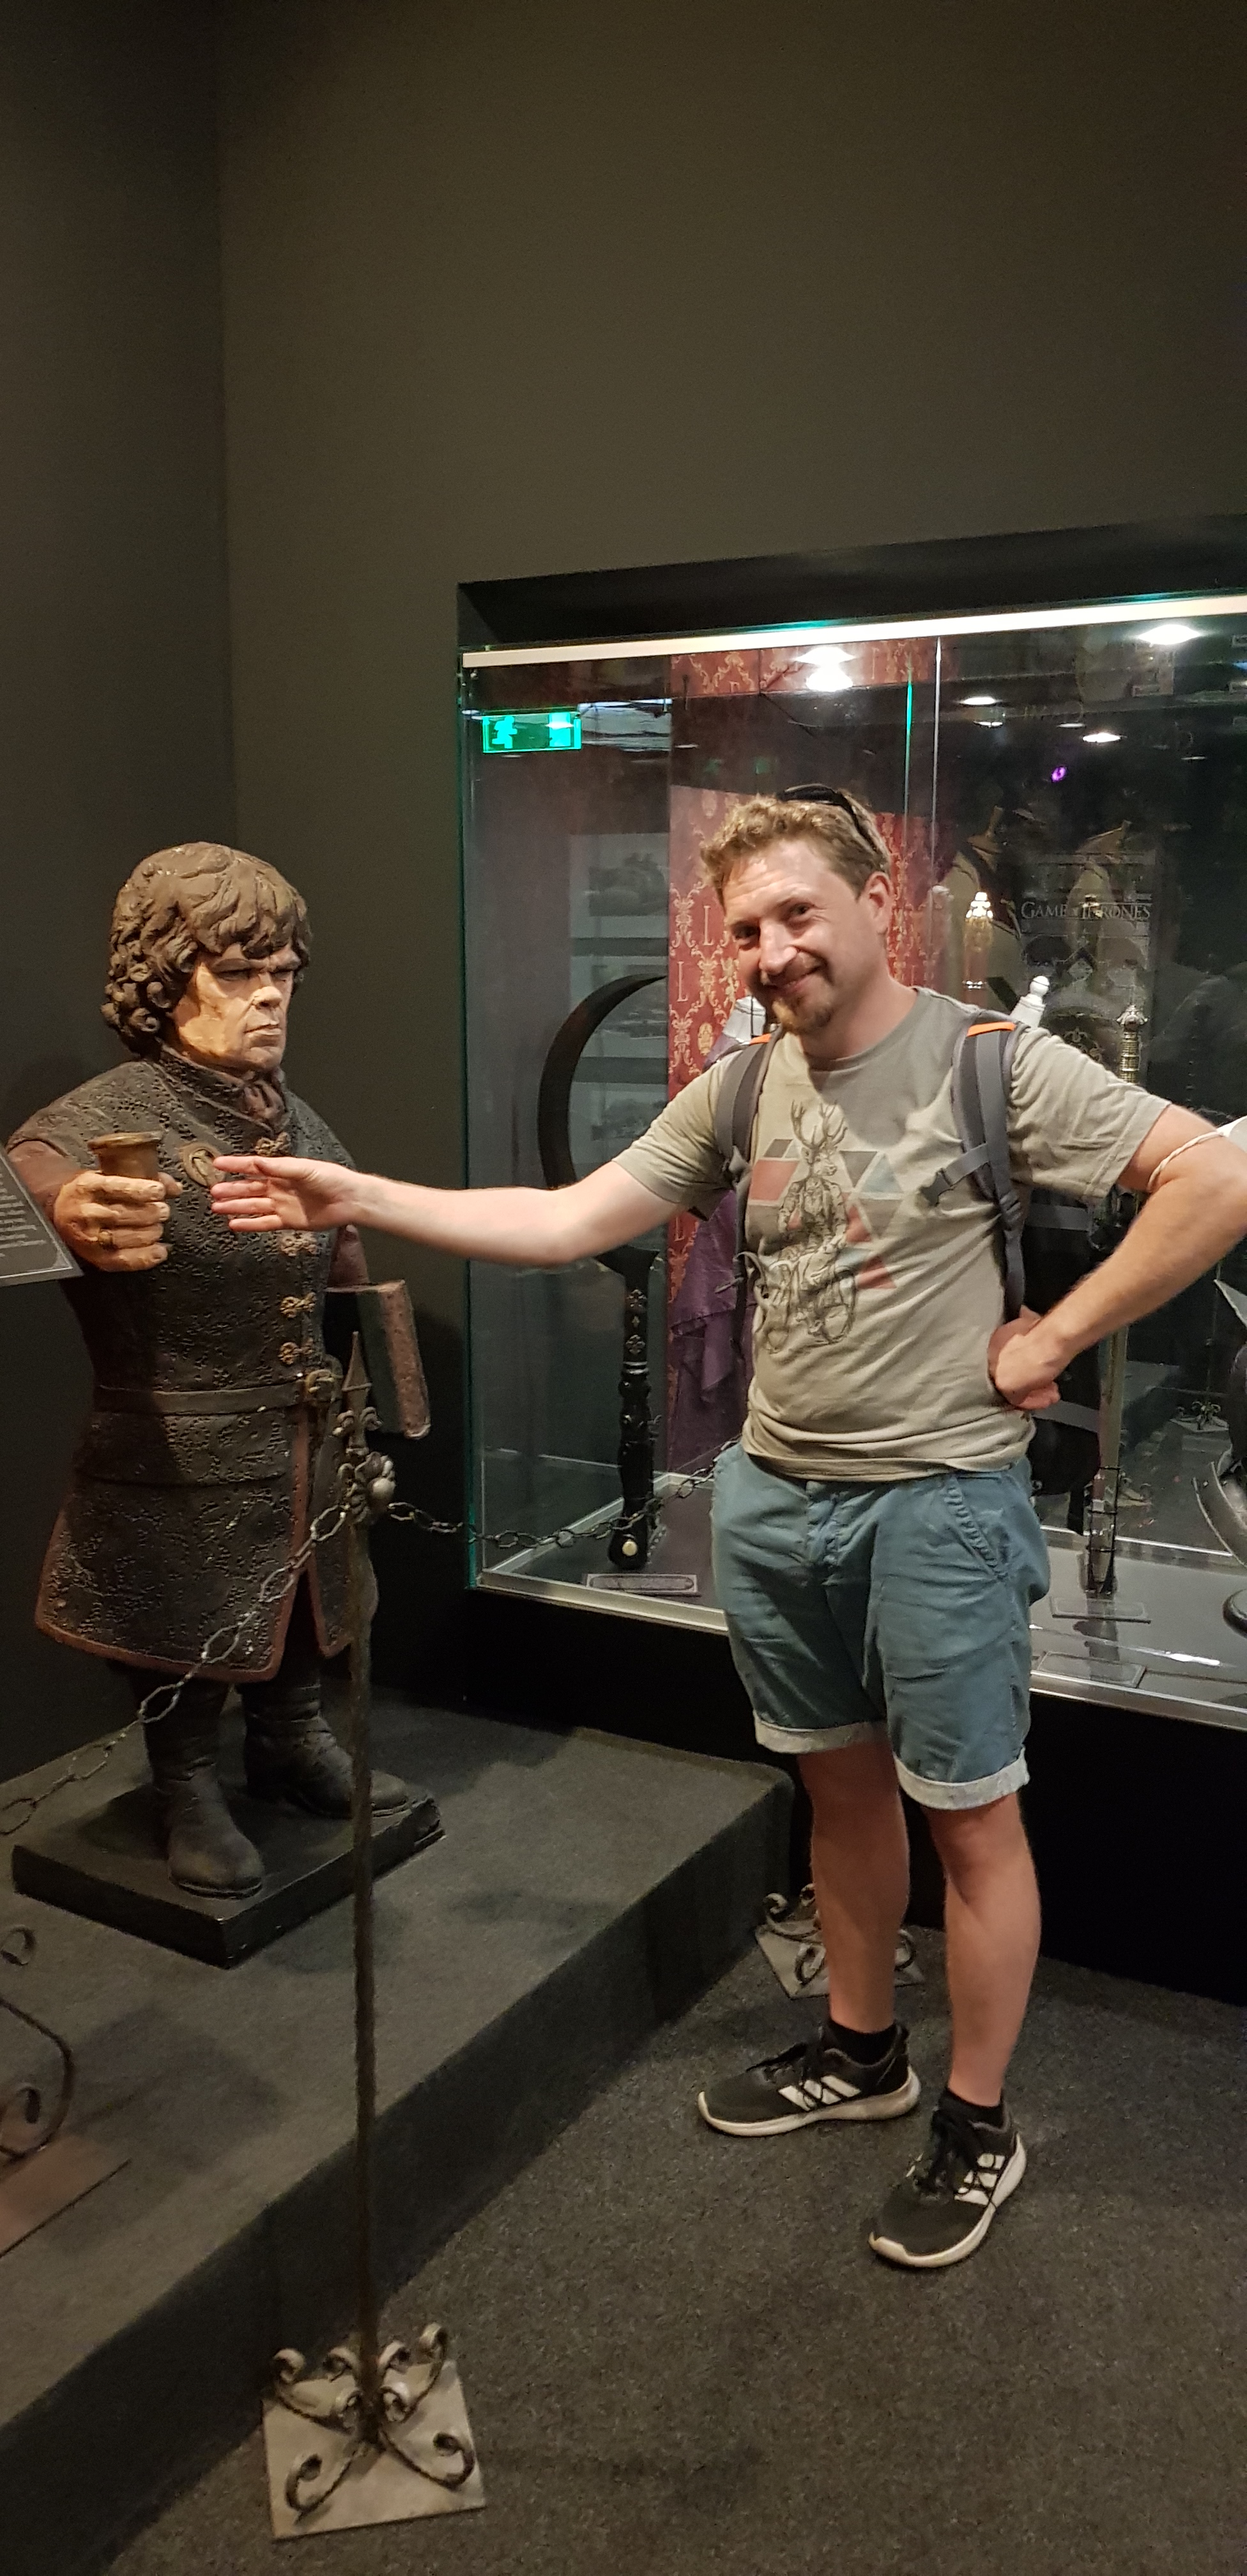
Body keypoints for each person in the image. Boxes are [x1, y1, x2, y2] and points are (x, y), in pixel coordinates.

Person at [211, 790, 1247, 2266]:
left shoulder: (987, 1061)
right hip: (776, 1499)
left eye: (795, 914)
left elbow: (1216, 1174)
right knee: (837, 1795)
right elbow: (571, 1221)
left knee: (970, 1820)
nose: (769, 951)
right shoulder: (743, 1089)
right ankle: (862, 2048)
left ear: (874, 905)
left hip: (936, 1506)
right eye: (745, 928)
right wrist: (354, 1192)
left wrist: (1059, 1333)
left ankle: (976, 2121)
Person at [8, 843, 409, 1898]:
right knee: (183, 1617)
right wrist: (68, 1211)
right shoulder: (94, 1123)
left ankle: (289, 1740)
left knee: (308, 1600)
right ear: (162, 979)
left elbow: (347, 1277)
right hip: (174, 1448)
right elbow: (31, 1186)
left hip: (301, 1434)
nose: (269, 996)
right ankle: (186, 1784)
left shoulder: (303, 1123)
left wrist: (383, 1404)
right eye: (237, 972)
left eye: (283, 973)